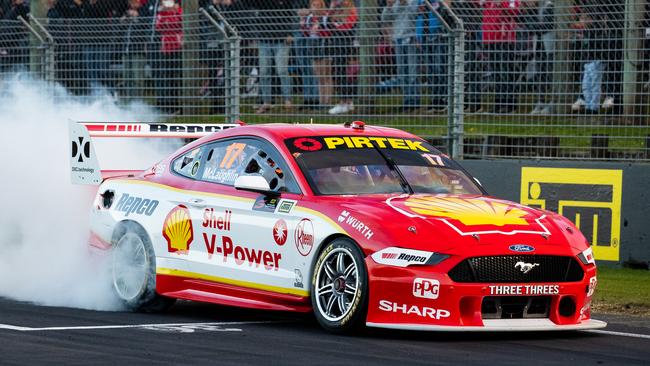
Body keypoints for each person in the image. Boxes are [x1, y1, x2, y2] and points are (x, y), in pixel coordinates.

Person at [254, 0, 299, 114]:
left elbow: (290, 14)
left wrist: (290, 33)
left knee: (282, 71)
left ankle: (288, 101)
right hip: (264, 40)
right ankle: (266, 102)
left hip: (282, 39)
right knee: (264, 72)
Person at [480, 0, 521, 113]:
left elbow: (514, 11)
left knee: (506, 72)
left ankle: (509, 104)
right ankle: (498, 104)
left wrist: (502, 3)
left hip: (505, 39)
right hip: (490, 38)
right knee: (496, 73)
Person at [382, 0, 420, 112]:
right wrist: (388, 6)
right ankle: (407, 101)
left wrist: (406, 4)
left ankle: (415, 101)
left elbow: (415, 15)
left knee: (413, 71)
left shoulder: (413, 2)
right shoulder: (395, 3)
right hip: (398, 39)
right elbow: (386, 18)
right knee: (402, 71)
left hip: (411, 38)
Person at [327, 0, 358, 115]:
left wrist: (336, 17)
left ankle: (346, 101)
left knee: (343, 73)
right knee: (336, 72)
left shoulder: (353, 11)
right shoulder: (335, 10)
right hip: (336, 45)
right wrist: (332, 10)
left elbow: (346, 26)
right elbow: (327, 24)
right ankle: (344, 101)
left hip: (346, 45)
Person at [155, 0, 183, 114]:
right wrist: (164, 12)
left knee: (178, 77)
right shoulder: (162, 13)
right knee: (167, 77)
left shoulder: (179, 11)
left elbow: (180, 24)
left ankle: (179, 105)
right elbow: (159, 27)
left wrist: (174, 11)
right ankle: (169, 104)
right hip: (166, 48)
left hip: (178, 47)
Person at [121, 0, 153, 100]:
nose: (132, 4)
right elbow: (121, 22)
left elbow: (146, 24)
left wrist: (136, 17)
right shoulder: (128, 12)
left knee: (137, 78)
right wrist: (127, 16)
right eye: (130, 2)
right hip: (126, 50)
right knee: (127, 77)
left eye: (134, 2)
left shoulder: (144, 11)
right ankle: (129, 99)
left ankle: (138, 101)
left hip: (138, 50)